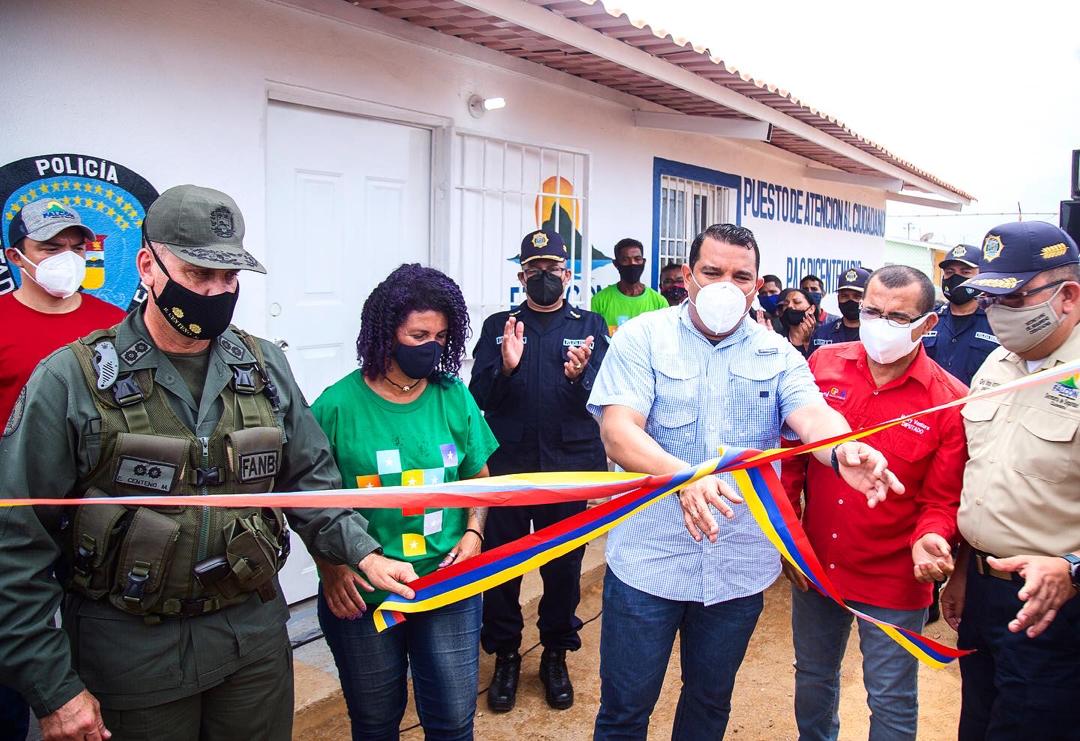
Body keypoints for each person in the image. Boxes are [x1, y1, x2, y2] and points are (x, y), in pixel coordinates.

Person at [0, 185, 387, 741]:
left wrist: (360, 552)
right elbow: (15, 541)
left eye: (228, 279)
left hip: (249, 641)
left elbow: (309, 479)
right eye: (198, 274)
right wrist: (52, 686)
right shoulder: (72, 379)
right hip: (132, 654)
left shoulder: (262, 363)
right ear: (148, 266)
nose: (215, 291)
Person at [587, 223, 903, 740]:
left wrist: (845, 447)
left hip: (736, 566)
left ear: (757, 285)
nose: (725, 286)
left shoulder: (776, 352)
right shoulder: (644, 338)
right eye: (712, 272)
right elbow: (618, 433)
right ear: (688, 277)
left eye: (741, 276)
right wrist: (681, 477)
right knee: (625, 709)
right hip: (648, 562)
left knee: (710, 704)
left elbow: (813, 416)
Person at [312, 263, 499, 740]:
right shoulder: (335, 406)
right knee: (375, 723)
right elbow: (311, 503)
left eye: (440, 336)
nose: (431, 347)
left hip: (449, 583)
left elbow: (479, 478)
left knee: (454, 720)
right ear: (385, 329)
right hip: (362, 593)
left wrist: (475, 532)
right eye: (418, 334)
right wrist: (332, 569)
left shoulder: (452, 395)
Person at [781, 265, 969, 741]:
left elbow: (942, 500)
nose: (880, 324)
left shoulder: (949, 402)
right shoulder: (821, 367)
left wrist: (931, 538)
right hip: (817, 564)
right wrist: (791, 540)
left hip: (893, 577)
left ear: (928, 324)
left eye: (897, 316)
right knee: (812, 678)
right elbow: (793, 462)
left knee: (890, 696)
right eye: (871, 311)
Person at [939, 222, 1080, 739]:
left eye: (1015, 298)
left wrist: (1073, 568)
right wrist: (961, 570)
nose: (997, 312)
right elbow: (982, 478)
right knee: (977, 723)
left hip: (1054, 607)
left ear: (1067, 296)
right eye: (989, 298)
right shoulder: (998, 363)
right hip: (981, 591)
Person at [0, 200, 126, 741]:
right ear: (15, 257)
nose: (67, 259)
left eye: (76, 248)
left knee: (93, 641)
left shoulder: (112, 324)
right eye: (50, 249)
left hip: (95, 521)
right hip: (18, 513)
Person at [469, 230, 609, 714]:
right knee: (500, 567)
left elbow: (604, 397)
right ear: (521, 276)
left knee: (564, 567)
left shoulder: (590, 323)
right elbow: (479, 398)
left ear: (568, 275)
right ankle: (505, 655)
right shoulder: (498, 326)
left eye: (553, 270)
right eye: (534, 270)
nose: (544, 278)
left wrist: (579, 378)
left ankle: (554, 653)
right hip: (509, 470)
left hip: (568, 470)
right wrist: (505, 368)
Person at [922, 244, 1000, 386]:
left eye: (965, 272)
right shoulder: (929, 320)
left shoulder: (998, 322)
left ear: (982, 277)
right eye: (949, 272)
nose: (955, 278)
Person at [590, 237, 667, 333]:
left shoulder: (659, 302)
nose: (632, 264)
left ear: (644, 262)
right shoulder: (599, 301)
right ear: (616, 264)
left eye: (637, 259)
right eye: (625, 260)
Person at [809, 266, 869, 355]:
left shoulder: (876, 335)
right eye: (845, 296)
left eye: (857, 296)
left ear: (867, 299)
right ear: (838, 298)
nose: (850, 300)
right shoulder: (822, 333)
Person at [777, 287, 818, 357]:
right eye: (786, 304)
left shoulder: (823, 336)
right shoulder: (778, 338)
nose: (790, 306)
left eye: (797, 302)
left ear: (811, 309)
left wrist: (808, 344)